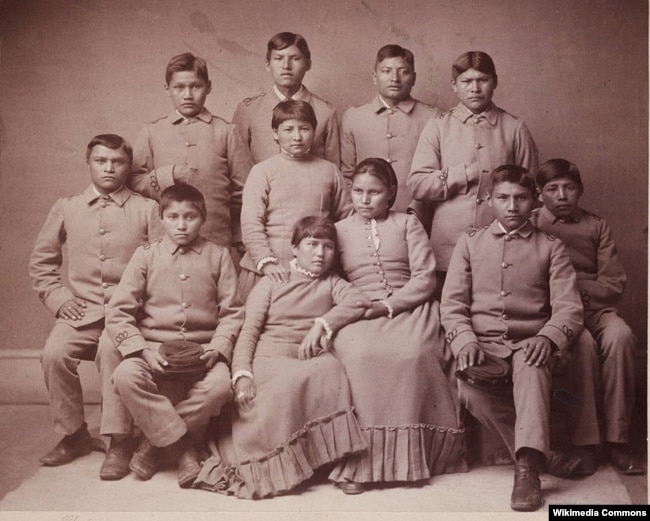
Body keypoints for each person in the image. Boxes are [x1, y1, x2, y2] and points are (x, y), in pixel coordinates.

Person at [440, 165, 591, 511]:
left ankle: (526, 472)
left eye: (521, 198)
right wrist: (465, 342)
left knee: (532, 367)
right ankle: (545, 454)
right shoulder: (470, 242)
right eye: (503, 198)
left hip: (530, 341)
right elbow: (452, 305)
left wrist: (549, 338)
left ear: (534, 200)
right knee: (468, 388)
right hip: (484, 342)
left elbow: (568, 308)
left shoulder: (550, 247)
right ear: (489, 200)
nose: (512, 206)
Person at [194, 216, 370, 499]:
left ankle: (323, 460)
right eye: (311, 245)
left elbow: (358, 301)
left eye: (327, 247)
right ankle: (280, 468)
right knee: (286, 386)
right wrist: (241, 374)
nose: (319, 253)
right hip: (269, 355)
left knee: (330, 370)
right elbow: (248, 331)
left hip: (308, 354)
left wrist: (322, 323)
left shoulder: (331, 282)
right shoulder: (273, 282)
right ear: (294, 248)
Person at [328, 158, 465, 495]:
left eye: (373, 192)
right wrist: (356, 304)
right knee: (359, 355)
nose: (364, 199)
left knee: (413, 352)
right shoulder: (339, 229)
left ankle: (417, 459)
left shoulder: (407, 224)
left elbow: (425, 278)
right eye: (358, 191)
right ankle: (361, 462)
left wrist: (390, 304)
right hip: (358, 309)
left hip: (409, 307)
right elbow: (332, 279)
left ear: (390, 194)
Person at [29, 134, 162, 470]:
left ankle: (119, 441)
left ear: (128, 166)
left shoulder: (147, 209)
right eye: (101, 161)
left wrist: (143, 306)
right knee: (54, 354)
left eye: (117, 162)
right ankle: (73, 434)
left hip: (129, 315)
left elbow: (164, 265)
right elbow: (42, 262)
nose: (109, 168)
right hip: (81, 312)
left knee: (110, 350)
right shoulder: (67, 207)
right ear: (88, 163)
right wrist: (59, 299)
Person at [105, 184, 243, 488]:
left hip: (202, 349)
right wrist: (141, 351)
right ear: (162, 218)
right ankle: (182, 448)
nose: (181, 225)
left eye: (190, 216)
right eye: (173, 216)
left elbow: (233, 312)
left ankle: (152, 446)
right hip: (154, 348)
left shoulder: (218, 256)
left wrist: (218, 348)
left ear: (203, 218)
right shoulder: (146, 256)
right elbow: (118, 312)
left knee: (220, 387)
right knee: (125, 376)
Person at [532, 158, 644, 475]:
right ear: (540, 194)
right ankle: (588, 442)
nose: (562, 195)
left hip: (595, 309)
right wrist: (563, 298)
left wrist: (573, 289)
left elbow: (613, 283)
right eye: (552, 189)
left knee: (621, 336)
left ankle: (618, 440)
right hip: (553, 314)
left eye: (569, 187)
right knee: (580, 344)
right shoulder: (531, 224)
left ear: (579, 191)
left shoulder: (596, 226)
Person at [408, 51, 539, 291]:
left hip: (503, 245)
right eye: (466, 81)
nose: (475, 88)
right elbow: (418, 184)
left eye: (483, 80)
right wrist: (463, 174)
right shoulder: (438, 126)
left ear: (495, 82)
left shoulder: (514, 127)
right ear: (454, 86)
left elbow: (533, 193)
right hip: (448, 247)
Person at [129, 52, 252, 258]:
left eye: (196, 86)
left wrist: (238, 234)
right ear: (167, 89)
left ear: (209, 87)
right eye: (179, 87)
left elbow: (245, 191)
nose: (187, 95)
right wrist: (167, 176)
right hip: (164, 240)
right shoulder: (152, 131)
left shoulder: (225, 131)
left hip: (215, 239)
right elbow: (132, 181)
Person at [238, 99, 351, 300]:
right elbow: (251, 223)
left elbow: (347, 220)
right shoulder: (262, 171)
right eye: (288, 129)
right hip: (270, 271)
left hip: (316, 272)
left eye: (304, 129)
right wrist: (267, 262)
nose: (297, 137)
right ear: (275, 133)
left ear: (314, 131)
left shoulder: (329, 171)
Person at [340, 44, 440, 212]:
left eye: (404, 72)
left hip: (418, 214)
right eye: (386, 71)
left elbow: (436, 175)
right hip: (364, 215)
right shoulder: (353, 117)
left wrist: (417, 211)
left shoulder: (432, 117)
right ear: (374, 76)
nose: (395, 78)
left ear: (414, 78)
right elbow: (346, 176)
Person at [232, 31, 340, 166]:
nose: (286, 66)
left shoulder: (325, 112)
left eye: (295, 59)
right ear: (267, 64)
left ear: (308, 64)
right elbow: (238, 166)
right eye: (278, 58)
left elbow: (334, 168)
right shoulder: (248, 110)